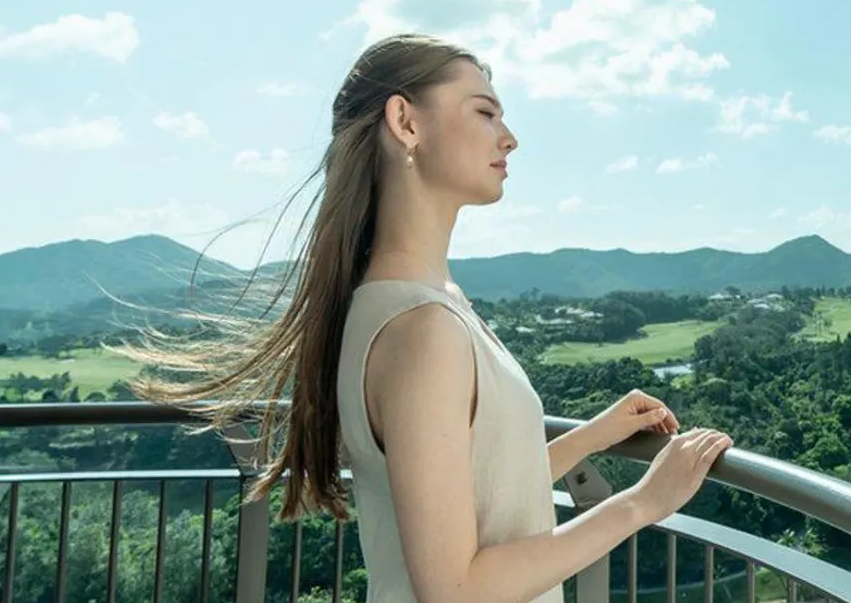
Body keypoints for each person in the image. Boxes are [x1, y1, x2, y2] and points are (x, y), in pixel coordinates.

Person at [127, 33, 732, 603]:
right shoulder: (422, 328)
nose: (510, 138)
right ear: (406, 122)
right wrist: (643, 502)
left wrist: (594, 435)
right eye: (485, 112)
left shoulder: (406, 303)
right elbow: (455, 588)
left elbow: (477, 498)